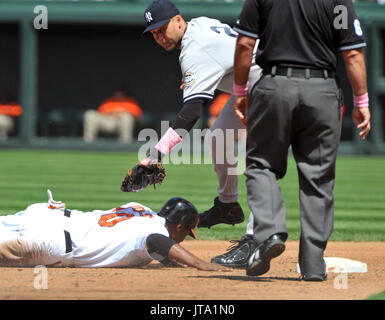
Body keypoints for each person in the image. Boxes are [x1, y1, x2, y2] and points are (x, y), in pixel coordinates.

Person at [215, 0, 371, 281]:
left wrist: (239, 90)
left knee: (261, 165)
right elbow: (352, 54)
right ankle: (313, 265)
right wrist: (361, 100)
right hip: (322, 90)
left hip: (275, 85)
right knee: (319, 179)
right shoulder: (337, 1)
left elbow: (244, 44)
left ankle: (271, 230)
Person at [124, 0, 262, 229]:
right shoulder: (200, 24)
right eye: (154, 33)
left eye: (162, 29)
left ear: (178, 21)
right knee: (218, 137)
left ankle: (256, 237)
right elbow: (224, 54)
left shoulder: (194, 51)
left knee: (260, 162)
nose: (160, 37)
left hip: (269, 85)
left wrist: (156, 156)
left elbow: (190, 113)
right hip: (251, 85)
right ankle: (228, 205)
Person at [0, 190, 229, 271]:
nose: (183, 240)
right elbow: (158, 243)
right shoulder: (154, 234)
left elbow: (159, 251)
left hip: (46, 214)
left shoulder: (140, 210)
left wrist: (172, 262)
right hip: (50, 242)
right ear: (179, 226)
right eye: (186, 234)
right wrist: (202, 264)